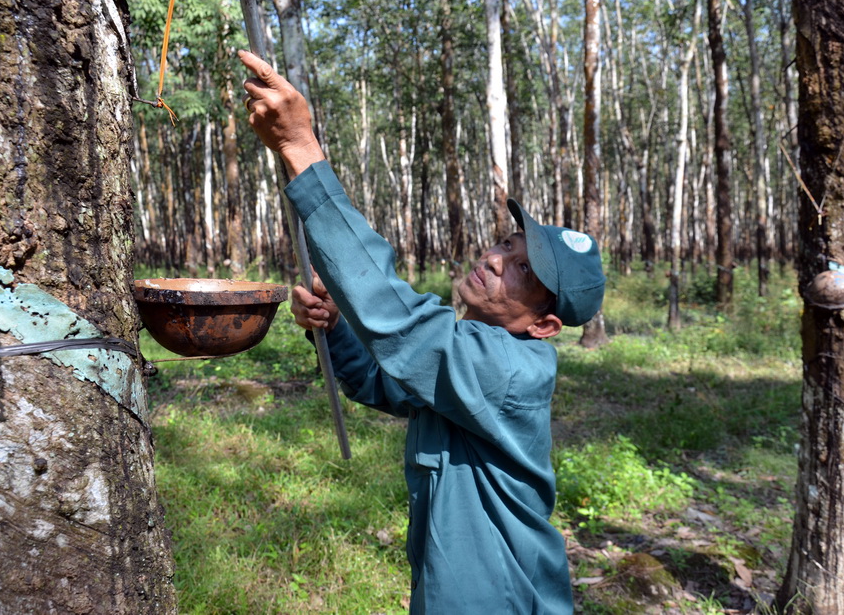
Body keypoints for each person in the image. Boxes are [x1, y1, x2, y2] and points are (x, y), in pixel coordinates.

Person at [239, 49, 605, 615]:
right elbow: (384, 384)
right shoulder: (471, 363)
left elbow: (400, 320)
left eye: (526, 271)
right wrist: (335, 329)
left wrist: (301, 151)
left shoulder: (506, 370)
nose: (500, 259)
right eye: (509, 244)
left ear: (545, 325)